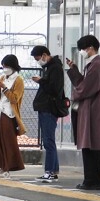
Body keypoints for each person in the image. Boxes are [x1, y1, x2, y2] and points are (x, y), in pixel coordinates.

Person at [66, 35, 100, 190]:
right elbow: (84, 83)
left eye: (83, 49)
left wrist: (73, 96)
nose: (82, 52)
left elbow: (86, 88)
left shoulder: (96, 65)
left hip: (92, 110)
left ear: (90, 48)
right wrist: (74, 70)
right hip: (91, 110)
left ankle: (91, 180)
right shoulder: (94, 64)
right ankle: (94, 180)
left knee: (89, 146)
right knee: (91, 146)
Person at [30, 45, 65, 181]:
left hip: (49, 108)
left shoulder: (54, 68)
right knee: (49, 140)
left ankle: (49, 171)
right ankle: (53, 170)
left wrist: (41, 81)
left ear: (45, 55)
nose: (38, 61)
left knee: (48, 141)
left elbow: (54, 88)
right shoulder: (50, 67)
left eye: (38, 58)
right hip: (46, 107)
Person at [0, 54, 26, 179]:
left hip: (9, 114)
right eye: (3, 66)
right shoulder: (3, 77)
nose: (4, 69)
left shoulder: (19, 80)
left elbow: (15, 99)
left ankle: (7, 169)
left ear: (13, 66)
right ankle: (1, 168)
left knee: (8, 143)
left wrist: (4, 88)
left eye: (6, 66)